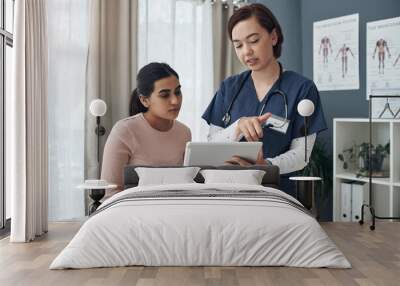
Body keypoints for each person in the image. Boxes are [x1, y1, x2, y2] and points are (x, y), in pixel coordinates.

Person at [202, 3, 327, 197]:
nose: (246, 52)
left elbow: (301, 155)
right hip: (230, 190)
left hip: (277, 192)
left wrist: (266, 166)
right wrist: (237, 127)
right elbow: (211, 145)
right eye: (238, 45)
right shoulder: (229, 88)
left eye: (253, 40)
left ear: (274, 37)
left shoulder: (302, 88)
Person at [101, 62, 191, 195]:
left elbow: (185, 184)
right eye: (165, 95)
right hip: (132, 210)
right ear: (144, 100)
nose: (175, 101)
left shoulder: (184, 132)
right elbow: (110, 191)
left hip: (172, 208)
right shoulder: (125, 130)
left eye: (178, 92)